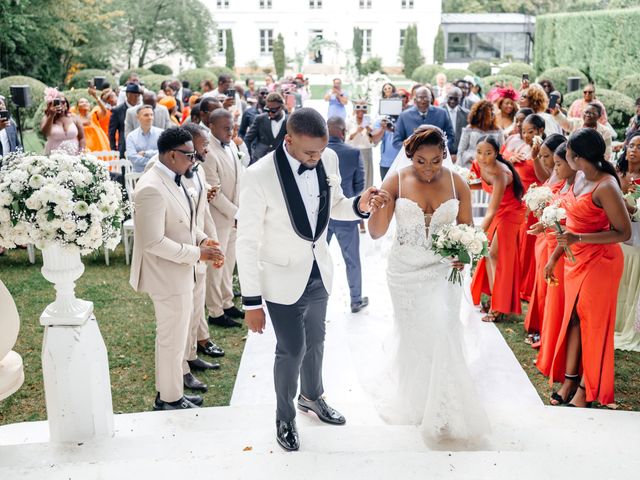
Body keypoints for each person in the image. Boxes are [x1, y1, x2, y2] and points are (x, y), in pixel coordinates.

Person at [236, 108, 377, 451]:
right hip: (280, 276)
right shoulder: (258, 176)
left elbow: (337, 205)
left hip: (319, 271)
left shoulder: (327, 159)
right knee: (292, 348)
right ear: (288, 141)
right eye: (309, 153)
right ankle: (284, 415)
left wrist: (361, 205)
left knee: (316, 341)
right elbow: (247, 241)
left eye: (320, 150)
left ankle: (312, 397)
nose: (317, 158)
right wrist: (251, 302)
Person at [367, 125, 489, 446]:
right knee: (415, 337)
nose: (429, 169)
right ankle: (418, 401)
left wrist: (463, 254)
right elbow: (377, 233)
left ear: (444, 156)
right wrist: (378, 207)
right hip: (404, 272)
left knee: (443, 329)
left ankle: (446, 403)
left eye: (435, 161)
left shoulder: (456, 182)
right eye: (421, 161)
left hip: (442, 271)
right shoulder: (396, 180)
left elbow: (468, 231)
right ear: (410, 155)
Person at [129, 127, 224, 410]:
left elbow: (184, 221)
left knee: (178, 337)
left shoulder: (176, 178)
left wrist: (202, 238)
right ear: (172, 155)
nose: (194, 160)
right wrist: (198, 253)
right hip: (166, 277)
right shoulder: (150, 187)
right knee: (171, 339)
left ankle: (170, 392)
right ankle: (169, 398)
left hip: (181, 272)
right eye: (189, 155)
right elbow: (153, 242)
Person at [546, 128, 630, 408]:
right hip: (575, 258)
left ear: (578, 156)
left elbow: (623, 232)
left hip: (602, 260)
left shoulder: (606, 185)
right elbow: (570, 222)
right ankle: (570, 378)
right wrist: (555, 256)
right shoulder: (579, 176)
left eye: (567, 150)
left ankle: (586, 388)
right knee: (573, 319)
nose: (564, 153)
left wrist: (577, 239)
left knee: (591, 324)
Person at [530, 143, 577, 380]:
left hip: (562, 251)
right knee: (550, 303)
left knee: (557, 304)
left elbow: (573, 220)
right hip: (551, 241)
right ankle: (549, 354)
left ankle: (556, 361)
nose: (555, 168)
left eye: (558, 163)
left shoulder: (576, 185)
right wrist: (543, 223)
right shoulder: (567, 183)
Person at [471, 135, 526, 321]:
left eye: (488, 153)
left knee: (496, 255)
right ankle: (496, 299)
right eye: (479, 152)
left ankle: (498, 307)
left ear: (497, 153)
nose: (482, 157)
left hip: (510, 213)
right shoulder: (480, 166)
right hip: (498, 212)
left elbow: (491, 210)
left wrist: (476, 233)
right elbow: (485, 185)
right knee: (488, 254)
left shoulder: (500, 174)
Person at [202, 109, 245, 328]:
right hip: (218, 218)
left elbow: (238, 179)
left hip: (234, 216)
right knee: (216, 267)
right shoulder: (208, 151)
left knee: (229, 264)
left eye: (232, 127)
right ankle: (215, 312)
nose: (231, 132)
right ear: (212, 126)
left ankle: (227, 303)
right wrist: (235, 212)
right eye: (226, 128)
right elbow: (213, 192)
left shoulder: (233, 146)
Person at [522, 134, 567, 338]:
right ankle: (540, 327)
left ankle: (546, 331)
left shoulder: (566, 177)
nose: (544, 161)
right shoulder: (553, 174)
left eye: (546, 156)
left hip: (554, 235)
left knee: (548, 284)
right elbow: (543, 180)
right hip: (544, 232)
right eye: (541, 156)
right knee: (541, 285)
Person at [326, 116, 368, 313]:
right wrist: (358, 215)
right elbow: (360, 187)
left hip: (321, 217)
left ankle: (313, 298)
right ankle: (356, 299)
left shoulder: (318, 153)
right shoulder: (353, 153)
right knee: (352, 260)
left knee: (316, 258)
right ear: (342, 132)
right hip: (346, 213)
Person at [614, 132, 640, 352]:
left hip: (637, 240)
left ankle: (626, 325)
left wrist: (632, 207)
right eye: (631, 145)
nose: (633, 150)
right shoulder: (617, 172)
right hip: (615, 237)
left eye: (639, 147)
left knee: (630, 283)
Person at [393, 87, 455, 153]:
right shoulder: (404, 116)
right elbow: (396, 142)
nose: (423, 101)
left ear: (431, 99)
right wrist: (411, 148)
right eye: (420, 98)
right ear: (415, 100)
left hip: (437, 156)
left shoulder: (442, 113)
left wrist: (441, 148)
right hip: (412, 158)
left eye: (426, 97)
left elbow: (450, 137)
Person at [243, 92, 288, 164]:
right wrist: (249, 157)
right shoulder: (260, 119)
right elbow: (247, 139)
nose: (270, 113)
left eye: (273, 110)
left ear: (281, 107)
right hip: (259, 161)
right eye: (267, 109)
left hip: (279, 162)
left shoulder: (289, 121)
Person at [456, 100, 503, 168]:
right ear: (481, 115)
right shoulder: (470, 128)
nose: (493, 116)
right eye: (490, 114)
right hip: (470, 164)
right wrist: (458, 167)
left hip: (491, 164)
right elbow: (461, 150)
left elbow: (501, 150)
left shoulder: (497, 129)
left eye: (493, 113)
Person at [41, 90, 85, 155]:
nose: (61, 104)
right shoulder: (47, 118)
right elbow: (45, 133)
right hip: (53, 156)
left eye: (63, 102)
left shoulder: (74, 117)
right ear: (51, 105)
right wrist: (51, 115)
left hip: (74, 157)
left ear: (67, 104)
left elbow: (82, 138)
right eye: (58, 102)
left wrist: (80, 153)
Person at [346, 99, 374, 192]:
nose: (361, 110)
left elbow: (373, 138)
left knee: (367, 177)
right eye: (358, 107)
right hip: (354, 151)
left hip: (366, 151)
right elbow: (347, 138)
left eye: (364, 107)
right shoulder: (350, 120)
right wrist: (358, 130)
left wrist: (367, 127)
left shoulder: (370, 120)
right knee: (355, 176)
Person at [125, 105, 162, 172]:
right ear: (138, 117)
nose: (150, 117)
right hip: (138, 176)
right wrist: (153, 161)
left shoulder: (161, 133)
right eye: (146, 115)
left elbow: (163, 153)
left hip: (158, 173)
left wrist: (146, 153)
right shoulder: (131, 136)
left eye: (151, 115)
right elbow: (132, 157)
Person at [109, 83, 142, 158]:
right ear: (127, 95)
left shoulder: (141, 110)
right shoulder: (118, 110)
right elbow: (112, 132)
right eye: (134, 95)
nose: (136, 98)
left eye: (138, 96)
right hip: (124, 147)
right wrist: (113, 149)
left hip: (140, 148)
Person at [443, 87, 469, 163]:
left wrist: (459, 155)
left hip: (460, 156)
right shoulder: (439, 112)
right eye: (450, 98)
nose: (452, 101)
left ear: (460, 98)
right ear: (446, 97)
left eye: (456, 99)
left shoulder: (466, 114)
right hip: (443, 155)